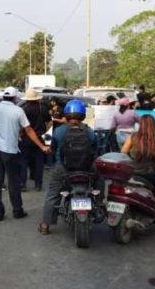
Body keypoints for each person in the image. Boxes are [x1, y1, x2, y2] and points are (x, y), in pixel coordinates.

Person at [0, 87, 51, 221]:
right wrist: (42, 146)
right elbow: (28, 130)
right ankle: (17, 211)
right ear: (16, 98)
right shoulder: (18, 110)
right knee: (13, 182)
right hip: (10, 150)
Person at [38, 100, 97, 234]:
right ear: (82, 115)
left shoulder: (59, 131)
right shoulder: (89, 131)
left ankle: (45, 225)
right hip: (85, 169)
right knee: (99, 181)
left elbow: (51, 148)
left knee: (53, 194)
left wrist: (49, 150)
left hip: (63, 169)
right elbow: (95, 148)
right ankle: (99, 203)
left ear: (67, 114)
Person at [121, 115, 155, 214]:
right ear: (154, 125)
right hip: (153, 173)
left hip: (134, 172)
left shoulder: (133, 136)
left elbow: (123, 152)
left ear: (141, 125)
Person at [19, 89, 50, 191]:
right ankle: (38, 184)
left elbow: (21, 125)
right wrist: (46, 133)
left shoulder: (23, 109)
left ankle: (23, 184)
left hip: (26, 137)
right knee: (39, 161)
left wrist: (20, 134)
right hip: (40, 137)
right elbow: (49, 122)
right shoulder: (43, 108)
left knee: (23, 161)